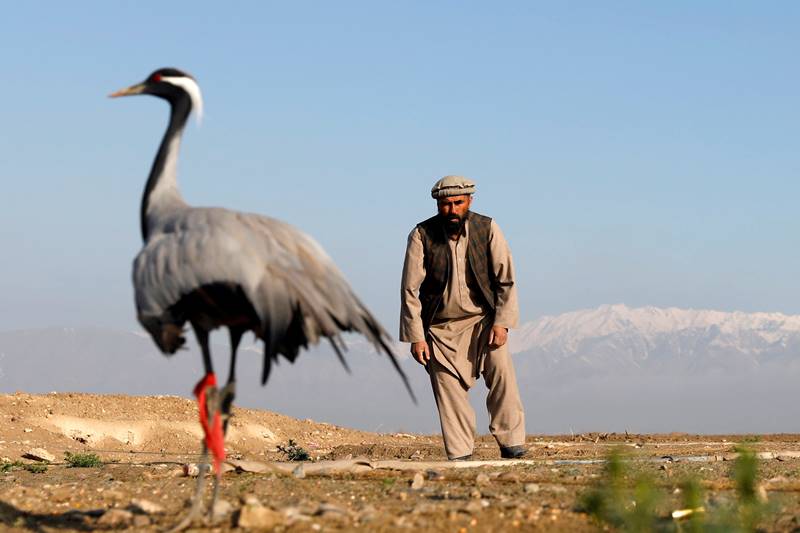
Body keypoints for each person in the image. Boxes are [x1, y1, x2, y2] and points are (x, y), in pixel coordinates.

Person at [400, 175, 526, 460]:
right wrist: (417, 337)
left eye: (458, 203)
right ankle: (461, 454)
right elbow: (409, 289)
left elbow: (506, 279)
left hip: (485, 321)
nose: (452, 209)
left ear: (469, 201)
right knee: (448, 390)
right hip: (440, 328)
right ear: (437, 205)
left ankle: (513, 443)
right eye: (446, 204)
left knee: (502, 375)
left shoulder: (487, 228)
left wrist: (502, 322)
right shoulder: (421, 235)